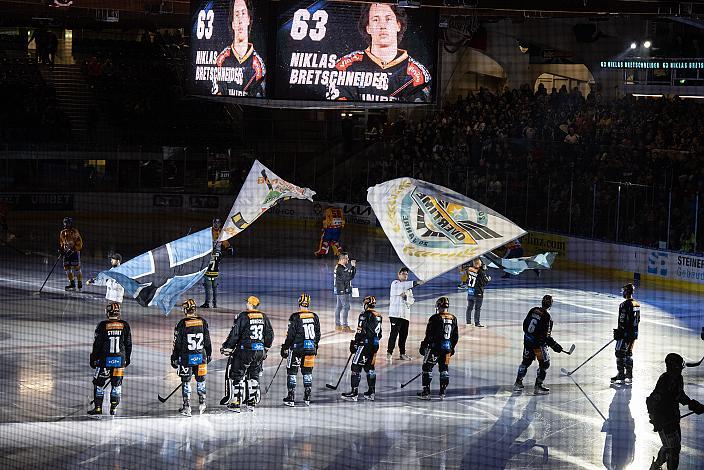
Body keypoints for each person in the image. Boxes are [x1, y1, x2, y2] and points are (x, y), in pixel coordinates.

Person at [332, 2, 431, 102]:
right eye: (375, 19)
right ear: (368, 28)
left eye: (388, 19)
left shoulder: (417, 74)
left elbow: (417, 108)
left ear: (398, 25)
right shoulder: (345, 66)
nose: (382, 26)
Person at [647, 353, 704, 470]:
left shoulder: (678, 378)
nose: (681, 370)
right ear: (674, 367)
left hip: (674, 418)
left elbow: (679, 395)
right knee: (673, 449)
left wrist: (692, 404)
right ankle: (657, 465)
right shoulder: (664, 381)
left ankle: (656, 465)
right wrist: (655, 418)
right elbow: (651, 401)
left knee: (672, 448)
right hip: (664, 421)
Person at [221, 296, 274, 412]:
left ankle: (236, 402)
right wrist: (265, 348)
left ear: (250, 304)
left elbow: (235, 334)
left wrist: (227, 347)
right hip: (259, 351)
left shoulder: (243, 316)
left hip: (245, 350)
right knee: (254, 375)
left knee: (237, 374)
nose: (246, 304)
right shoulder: (263, 317)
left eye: (247, 303)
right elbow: (269, 334)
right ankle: (251, 401)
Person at [213, 0, 266, 97]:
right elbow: (217, 94)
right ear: (232, 23)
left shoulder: (258, 66)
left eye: (243, 13)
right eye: (236, 15)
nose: (240, 20)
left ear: (249, 19)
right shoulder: (221, 60)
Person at [513, 295, 564, 395]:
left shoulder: (533, 310)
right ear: (551, 304)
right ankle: (538, 386)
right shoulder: (547, 317)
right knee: (544, 364)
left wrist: (529, 337)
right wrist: (555, 346)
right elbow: (546, 336)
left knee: (525, 362)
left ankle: (518, 383)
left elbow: (524, 325)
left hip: (528, 342)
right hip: (538, 347)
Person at [88, 302, 132, 417]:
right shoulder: (125, 325)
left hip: (104, 361)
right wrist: (127, 358)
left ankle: (98, 408)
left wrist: (93, 358)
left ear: (108, 313)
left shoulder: (102, 325)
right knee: (116, 384)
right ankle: (113, 409)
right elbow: (128, 344)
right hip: (119, 360)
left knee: (99, 384)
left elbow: (97, 344)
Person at [171, 299, 212, 416]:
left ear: (185, 310)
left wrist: (174, 357)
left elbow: (177, 343)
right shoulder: (203, 322)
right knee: (201, 380)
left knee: (186, 381)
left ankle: (186, 406)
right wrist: (208, 354)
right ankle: (202, 403)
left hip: (186, 358)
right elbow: (207, 341)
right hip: (200, 356)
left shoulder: (182, 324)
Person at [281, 293, 321, 407]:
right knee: (307, 372)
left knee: (292, 372)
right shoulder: (315, 316)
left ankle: (291, 397)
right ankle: (307, 396)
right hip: (310, 348)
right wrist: (315, 346)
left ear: (299, 302)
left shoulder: (295, 316)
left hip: (297, 349)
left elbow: (291, 335)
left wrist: (285, 347)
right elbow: (318, 334)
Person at [341, 296, 382, 402]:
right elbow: (379, 333)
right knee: (370, 368)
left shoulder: (364, 315)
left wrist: (356, 342)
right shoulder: (379, 316)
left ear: (366, 304)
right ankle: (371, 392)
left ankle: (354, 393)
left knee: (355, 366)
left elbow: (360, 331)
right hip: (375, 346)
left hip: (364, 345)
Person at [418, 296, 459, 400]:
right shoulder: (453, 318)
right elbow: (455, 336)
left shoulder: (434, 318)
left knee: (427, 368)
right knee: (444, 369)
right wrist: (452, 347)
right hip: (447, 348)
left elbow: (429, 335)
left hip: (434, 348)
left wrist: (424, 345)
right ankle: (442, 392)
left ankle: (426, 392)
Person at [387, 267, 424, 362]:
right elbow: (401, 287)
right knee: (394, 334)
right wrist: (416, 282)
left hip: (405, 316)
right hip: (395, 315)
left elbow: (412, 301)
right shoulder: (395, 283)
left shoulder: (409, 290)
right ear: (398, 275)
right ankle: (389, 353)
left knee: (404, 336)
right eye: (403, 273)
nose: (405, 275)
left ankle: (402, 354)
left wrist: (406, 297)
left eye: (406, 274)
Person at [612, 283, 640, 384]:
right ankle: (629, 375)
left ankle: (621, 375)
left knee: (619, 353)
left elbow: (622, 320)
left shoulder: (624, 305)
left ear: (626, 292)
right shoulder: (637, 304)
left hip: (625, 334)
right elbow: (638, 320)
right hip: (634, 334)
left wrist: (619, 332)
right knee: (628, 353)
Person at [201, 218, 230, 308]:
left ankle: (208, 302)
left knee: (209, 285)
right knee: (214, 285)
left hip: (211, 259)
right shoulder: (209, 231)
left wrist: (228, 246)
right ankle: (214, 302)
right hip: (216, 259)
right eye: (215, 223)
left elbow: (225, 242)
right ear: (213, 223)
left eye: (218, 223)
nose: (216, 224)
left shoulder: (221, 233)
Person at [58, 217, 83, 290]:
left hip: (74, 252)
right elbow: (62, 243)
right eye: (65, 223)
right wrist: (61, 249)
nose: (66, 224)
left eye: (67, 223)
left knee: (76, 267)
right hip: (66, 253)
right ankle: (72, 283)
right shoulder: (62, 232)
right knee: (67, 267)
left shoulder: (75, 232)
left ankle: (79, 282)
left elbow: (80, 243)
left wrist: (74, 248)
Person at [334, 252, 356, 332]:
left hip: (339, 290)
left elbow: (346, 277)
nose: (348, 259)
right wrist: (353, 267)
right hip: (342, 291)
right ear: (342, 259)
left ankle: (337, 325)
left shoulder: (339, 267)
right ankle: (345, 326)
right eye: (346, 258)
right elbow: (350, 276)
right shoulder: (341, 268)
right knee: (346, 307)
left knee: (339, 307)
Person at [465, 258, 491, 327]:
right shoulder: (481, 272)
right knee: (477, 308)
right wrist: (488, 278)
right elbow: (484, 282)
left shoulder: (469, 269)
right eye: (480, 263)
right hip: (478, 292)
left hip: (470, 291)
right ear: (478, 264)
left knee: (469, 307)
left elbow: (468, 277)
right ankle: (477, 323)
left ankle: (468, 322)